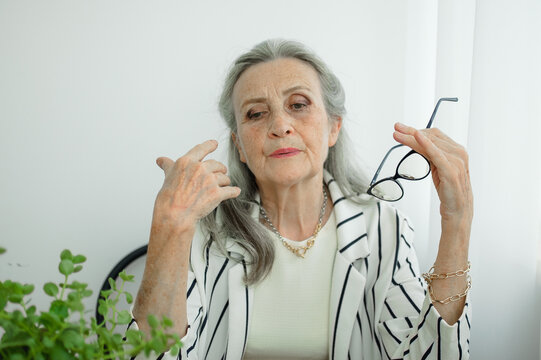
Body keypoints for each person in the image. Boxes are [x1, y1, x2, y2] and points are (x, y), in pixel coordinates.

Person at [129, 39, 473, 360]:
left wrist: (456, 223)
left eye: (298, 105)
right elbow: (150, 354)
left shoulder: (383, 226)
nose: (280, 126)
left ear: (333, 127)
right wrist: (169, 225)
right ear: (240, 147)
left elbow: (429, 354)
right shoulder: (205, 230)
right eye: (255, 113)